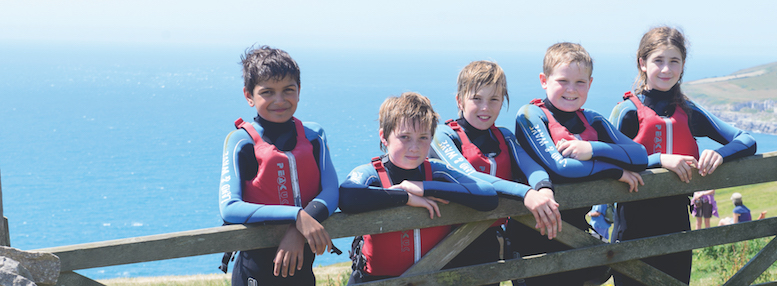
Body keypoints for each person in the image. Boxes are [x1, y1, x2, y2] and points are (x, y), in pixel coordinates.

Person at [608, 26, 757, 285]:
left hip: (677, 223)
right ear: (642, 63)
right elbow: (608, 160)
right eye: (658, 61)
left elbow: (746, 140)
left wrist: (720, 154)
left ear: (683, 65)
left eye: (674, 61)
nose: (666, 69)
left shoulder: (688, 111)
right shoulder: (626, 112)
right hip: (632, 226)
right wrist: (659, 160)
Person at [514, 42, 649, 285]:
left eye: (580, 83)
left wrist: (591, 149)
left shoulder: (592, 119)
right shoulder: (530, 115)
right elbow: (561, 169)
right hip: (533, 237)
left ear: (590, 83)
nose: (571, 90)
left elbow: (640, 156)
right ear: (544, 80)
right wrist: (614, 169)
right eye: (562, 81)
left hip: (577, 234)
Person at [339, 92, 501, 283]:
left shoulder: (437, 171)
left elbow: (488, 195)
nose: (414, 147)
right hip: (375, 281)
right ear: (384, 136)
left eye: (423, 137)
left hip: (432, 279)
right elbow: (348, 196)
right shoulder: (371, 174)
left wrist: (424, 188)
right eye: (405, 137)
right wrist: (404, 196)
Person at [428, 61, 562, 279]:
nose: (485, 108)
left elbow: (532, 167)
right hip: (450, 247)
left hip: (495, 242)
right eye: (476, 99)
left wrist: (544, 189)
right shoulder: (443, 136)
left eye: (494, 100)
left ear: (502, 103)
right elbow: (468, 176)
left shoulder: (505, 136)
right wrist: (526, 193)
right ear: (459, 100)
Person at [218, 45, 339, 286]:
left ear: (299, 91)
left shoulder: (314, 136)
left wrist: (297, 229)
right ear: (249, 96)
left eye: (288, 90)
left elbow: (332, 192)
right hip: (254, 272)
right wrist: (296, 216)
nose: (279, 100)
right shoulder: (241, 141)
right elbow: (229, 208)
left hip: (303, 270)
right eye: (267, 92)